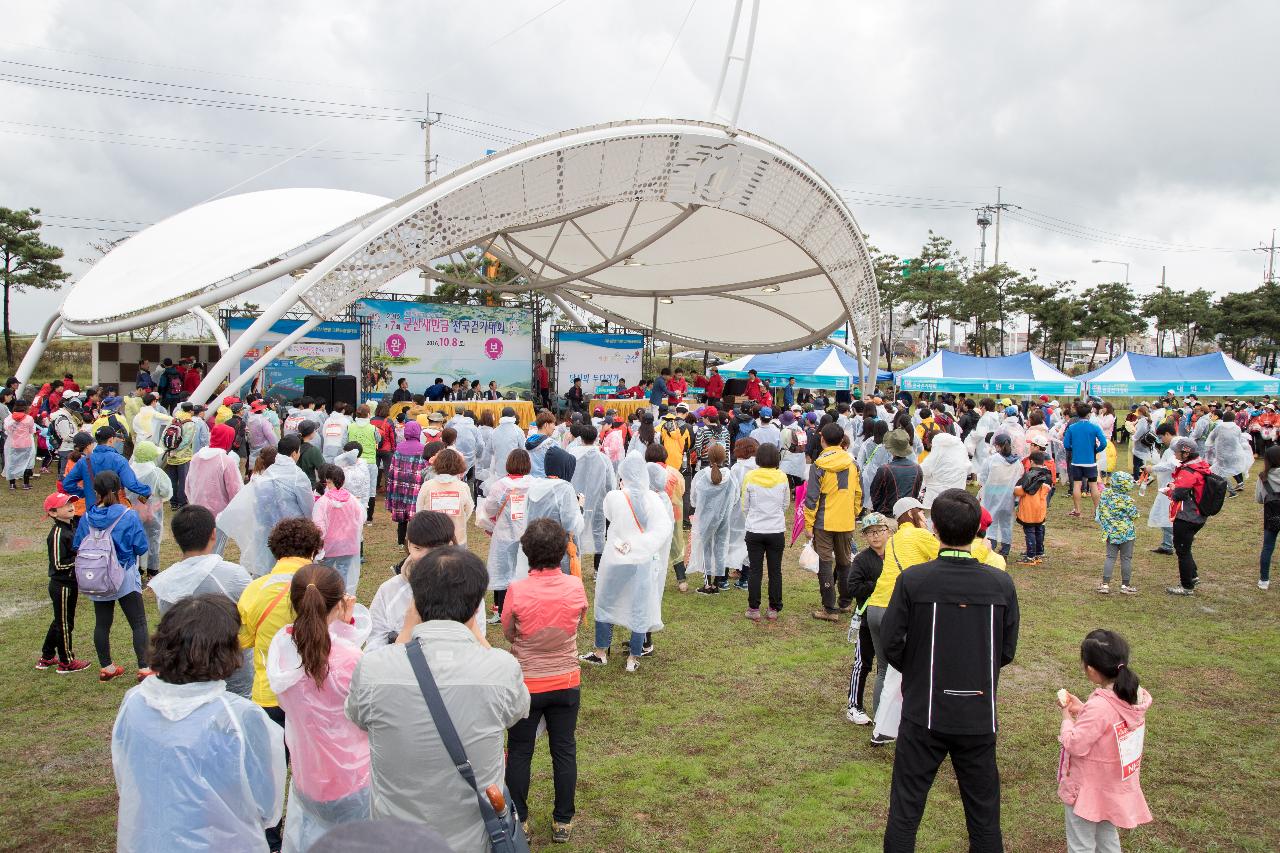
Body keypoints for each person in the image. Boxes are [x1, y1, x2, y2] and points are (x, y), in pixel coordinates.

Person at [345, 546, 530, 853]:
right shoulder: (501, 669)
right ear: (475, 607)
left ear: (414, 602)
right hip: (475, 840)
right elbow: (517, 710)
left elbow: (356, 715)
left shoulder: (373, 670)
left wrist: (406, 630)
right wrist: (475, 632)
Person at [881, 488, 1020, 852]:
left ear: (936, 530)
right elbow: (1005, 650)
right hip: (975, 712)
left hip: (924, 711)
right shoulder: (999, 583)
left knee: (906, 810)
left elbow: (892, 642)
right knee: (984, 816)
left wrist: (918, 674)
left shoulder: (915, 580)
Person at [111, 595, 286, 853]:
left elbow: (125, 775)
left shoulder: (135, 701)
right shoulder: (239, 717)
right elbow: (266, 805)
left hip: (149, 838)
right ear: (225, 650)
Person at [265, 563, 371, 850]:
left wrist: (341, 626)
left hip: (308, 777)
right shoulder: (349, 659)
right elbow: (365, 711)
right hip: (354, 778)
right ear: (339, 603)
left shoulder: (283, 647)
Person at [502, 519, 588, 842]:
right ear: (560, 553)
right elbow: (579, 621)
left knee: (520, 749)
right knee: (564, 748)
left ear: (527, 552)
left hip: (527, 683)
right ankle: (563, 820)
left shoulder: (518, 590)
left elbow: (508, 630)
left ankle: (519, 818)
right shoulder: (575, 586)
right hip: (566, 680)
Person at [1057, 630, 1153, 852]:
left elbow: (1076, 744)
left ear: (1090, 670)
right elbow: (1108, 722)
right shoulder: (1132, 693)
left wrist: (1066, 718)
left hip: (1087, 789)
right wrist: (1083, 708)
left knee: (1081, 844)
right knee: (1107, 838)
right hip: (1111, 787)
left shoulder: (1101, 706)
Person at [148, 505, 254, 697]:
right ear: (214, 534)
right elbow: (252, 616)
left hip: (186, 668)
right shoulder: (234, 575)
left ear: (175, 537)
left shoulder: (164, 583)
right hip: (232, 666)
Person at [583, 455, 674, 672]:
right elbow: (662, 529)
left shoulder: (615, 497)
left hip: (617, 556)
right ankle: (633, 656)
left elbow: (609, 514)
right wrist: (643, 546)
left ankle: (601, 651)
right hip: (642, 560)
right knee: (639, 604)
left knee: (606, 599)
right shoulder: (653, 499)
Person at [75, 471, 152, 682]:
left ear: (96, 492)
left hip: (97, 575)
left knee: (102, 623)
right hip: (124, 573)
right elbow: (141, 546)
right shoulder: (127, 515)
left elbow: (78, 545)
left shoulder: (87, 517)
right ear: (119, 489)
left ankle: (106, 667)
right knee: (138, 623)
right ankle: (144, 668)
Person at [217, 435, 316, 577]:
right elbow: (308, 507)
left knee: (266, 570)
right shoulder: (297, 476)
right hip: (292, 532)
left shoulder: (268, 473)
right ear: (294, 453)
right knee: (289, 570)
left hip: (266, 530)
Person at [367, 511, 456, 649]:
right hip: (398, 668)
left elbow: (474, 644)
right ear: (408, 545)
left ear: (449, 546)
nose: (425, 557)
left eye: (434, 549)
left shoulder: (464, 588)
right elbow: (374, 642)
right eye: (417, 548)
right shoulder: (390, 590)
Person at [803, 422, 862, 622]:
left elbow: (812, 498)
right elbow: (858, 493)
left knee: (825, 562)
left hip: (823, 521)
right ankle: (845, 602)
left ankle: (829, 608)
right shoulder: (853, 462)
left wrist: (808, 525)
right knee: (845, 561)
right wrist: (853, 513)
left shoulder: (819, 464)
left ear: (822, 439)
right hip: (846, 520)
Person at [844, 512, 891, 726]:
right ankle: (854, 705)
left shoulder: (895, 554)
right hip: (865, 618)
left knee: (889, 666)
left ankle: (888, 708)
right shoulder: (862, 559)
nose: (875, 536)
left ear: (888, 532)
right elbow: (852, 587)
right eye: (870, 533)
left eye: (879, 531)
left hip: (891, 617)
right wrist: (878, 585)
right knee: (863, 663)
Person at [37, 492, 89, 673]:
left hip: (70, 583)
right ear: (52, 513)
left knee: (60, 621)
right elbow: (58, 564)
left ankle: (47, 656)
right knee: (65, 624)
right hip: (62, 585)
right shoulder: (58, 533)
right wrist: (83, 560)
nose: (70, 506)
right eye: (64, 505)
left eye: (71, 503)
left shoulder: (72, 525)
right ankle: (66, 661)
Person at [740, 442, 789, 619]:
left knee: (755, 569)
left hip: (755, 529)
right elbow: (785, 504)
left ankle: (753, 609)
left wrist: (753, 517)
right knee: (775, 570)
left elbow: (744, 504)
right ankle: (773, 609)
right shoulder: (782, 477)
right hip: (775, 530)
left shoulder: (750, 476)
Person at [1165, 437, 1212, 596]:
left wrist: (1170, 490)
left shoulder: (1188, 471)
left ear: (1185, 453)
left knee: (1182, 550)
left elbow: (1178, 493)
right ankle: (1193, 575)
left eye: (1177, 452)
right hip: (1199, 514)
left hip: (1187, 516)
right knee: (1186, 546)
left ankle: (1187, 586)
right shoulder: (1201, 466)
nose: (1175, 455)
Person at [187, 423, 242, 554]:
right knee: (215, 552)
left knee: (199, 549)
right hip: (219, 515)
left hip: (197, 511)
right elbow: (236, 491)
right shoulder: (226, 461)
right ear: (227, 439)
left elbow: (188, 484)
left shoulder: (196, 457)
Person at [689, 443, 736, 596]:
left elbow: (694, 499)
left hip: (705, 517)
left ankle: (708, 583)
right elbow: (735, 497)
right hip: (723, 517)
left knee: (706, 549)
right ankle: (718, 582)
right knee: (721, 546)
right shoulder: (730, 476)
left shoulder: (702, 475)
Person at [567, 424, 613, 572]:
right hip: (598, 501)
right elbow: (609, 484)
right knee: (598, 533)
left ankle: (575, 566)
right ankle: (597, 570)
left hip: (575, 499)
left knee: (574, 531)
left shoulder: (571, 455)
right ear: (596, 438)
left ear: (581, 438)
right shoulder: (603, 459)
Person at [126, 440, 174, 581]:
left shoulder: (127, 471)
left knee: (134, 538)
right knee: (152, 539)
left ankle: (137, 569)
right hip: (152, 512)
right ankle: (152, 570)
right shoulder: (156, 473)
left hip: (131, 511)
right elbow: (166, 491)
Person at [314, 464, 365, 593]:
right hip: (348, 544)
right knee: (343, 574)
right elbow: (360, 518)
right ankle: (340, 598)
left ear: (328, 482)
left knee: (325, 576)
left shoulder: (323, 502)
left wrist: (319, 544)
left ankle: (326, 598)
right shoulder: (352, 499)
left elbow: (318, 525)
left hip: (329, 545)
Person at [416, 447, 475, 547]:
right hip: (457, 537)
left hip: (431, 538)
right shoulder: (462, 487)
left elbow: (419, 511)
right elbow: (468, 510)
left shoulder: (427, 486)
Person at [387, 421, 431, 547]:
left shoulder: (399, 447)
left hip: (400, 485)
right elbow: (426, 470)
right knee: (415, 514)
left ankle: (401, 541)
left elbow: (392, 469)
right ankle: (415, 541)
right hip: (416, 486)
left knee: (402, 515)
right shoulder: (423, 448)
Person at [1095, 471, 1140, 595]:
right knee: (1126, 558)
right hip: (1127, 533)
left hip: (1110, 532)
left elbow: (1101, 508)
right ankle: (1125, 586)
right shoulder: (1127, 500)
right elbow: (1135, 515)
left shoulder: (1106, 494)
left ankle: (1105, 584)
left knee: (1110, 557)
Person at [978, 434, 1020, 558]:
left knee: (991, 520)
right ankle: (1005, 549)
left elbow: (983, 477)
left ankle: (991, 545)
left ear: (997, 445)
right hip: (1009, 495)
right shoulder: (1017, 462)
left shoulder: (992, 460)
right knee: (1006, 522)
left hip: (992, 493)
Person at [1064, 402, 1108, 518]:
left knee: (1077, 485)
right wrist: (1096, 450)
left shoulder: (1072, 427)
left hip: (1076, 461)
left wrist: (1073, 449)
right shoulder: (1094, 427)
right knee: (1093, 485)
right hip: (1090, 461)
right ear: (1089, 414)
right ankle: (1097, 512)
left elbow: (1066, 444)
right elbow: (1104, 443)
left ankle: (1077, 510)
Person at [868, 429, 922, 516]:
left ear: (891, 449)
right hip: (910, 515)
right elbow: (916, 493)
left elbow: (875, 494)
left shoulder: (884, 469)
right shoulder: (917, 468)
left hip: (888, 515)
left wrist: (879, 510)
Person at [1013, 450, 1052, 565]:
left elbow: (1020, 491)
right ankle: (1039, 553)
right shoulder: (1048, 475)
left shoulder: (1029, 475)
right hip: (1041, 507)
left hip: (1029, 507)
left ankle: (1030, 556)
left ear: (1031, 461)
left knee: (1029, 531)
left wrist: (1015, 489)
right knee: (1039, 529)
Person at [1146, 422, 1179, 555]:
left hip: (1170, 487)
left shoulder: (1175, 446)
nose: (1161, 440)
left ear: (1167, 434)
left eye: (1161, 437)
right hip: (1167, 486)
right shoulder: (1172, 446)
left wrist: (1152, 468)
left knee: (1163, 515)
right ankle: (1167, 545)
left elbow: (1170, 465)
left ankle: (1181, 535)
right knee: (1165, 514)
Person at [1255, 445, 1280, 591]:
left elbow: (1259, 498)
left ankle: (1264, 580)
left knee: (1268, 547)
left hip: (1272, 516)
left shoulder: (1263, 477)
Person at [4, 399, 37, 489]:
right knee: (26, 463)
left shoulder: (9, 418)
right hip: (26, 444)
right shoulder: (29, 418)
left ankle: (12, 484)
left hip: (13, 444)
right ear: (25, 407)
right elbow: (32, 431)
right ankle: (25, 484)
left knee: (12, 463)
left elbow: (7, 431)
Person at [297, 420, 327, 487]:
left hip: (294, 484)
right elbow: (323, 470)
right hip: (309, 485)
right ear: (312, 433)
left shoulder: (294, 446)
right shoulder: (313, 450)